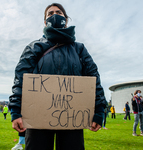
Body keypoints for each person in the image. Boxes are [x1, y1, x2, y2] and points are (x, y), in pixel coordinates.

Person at [9, 3, 106, 150]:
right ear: (45, 21)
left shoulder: (79, 49)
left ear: (66, 19)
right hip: (37, 117)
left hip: (72, 117)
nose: (54, 15)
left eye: (59, 12)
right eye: (50, 13)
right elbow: (20, 78)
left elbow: (94, 79)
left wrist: (99, 110)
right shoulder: (34, 47)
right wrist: (15, 111)